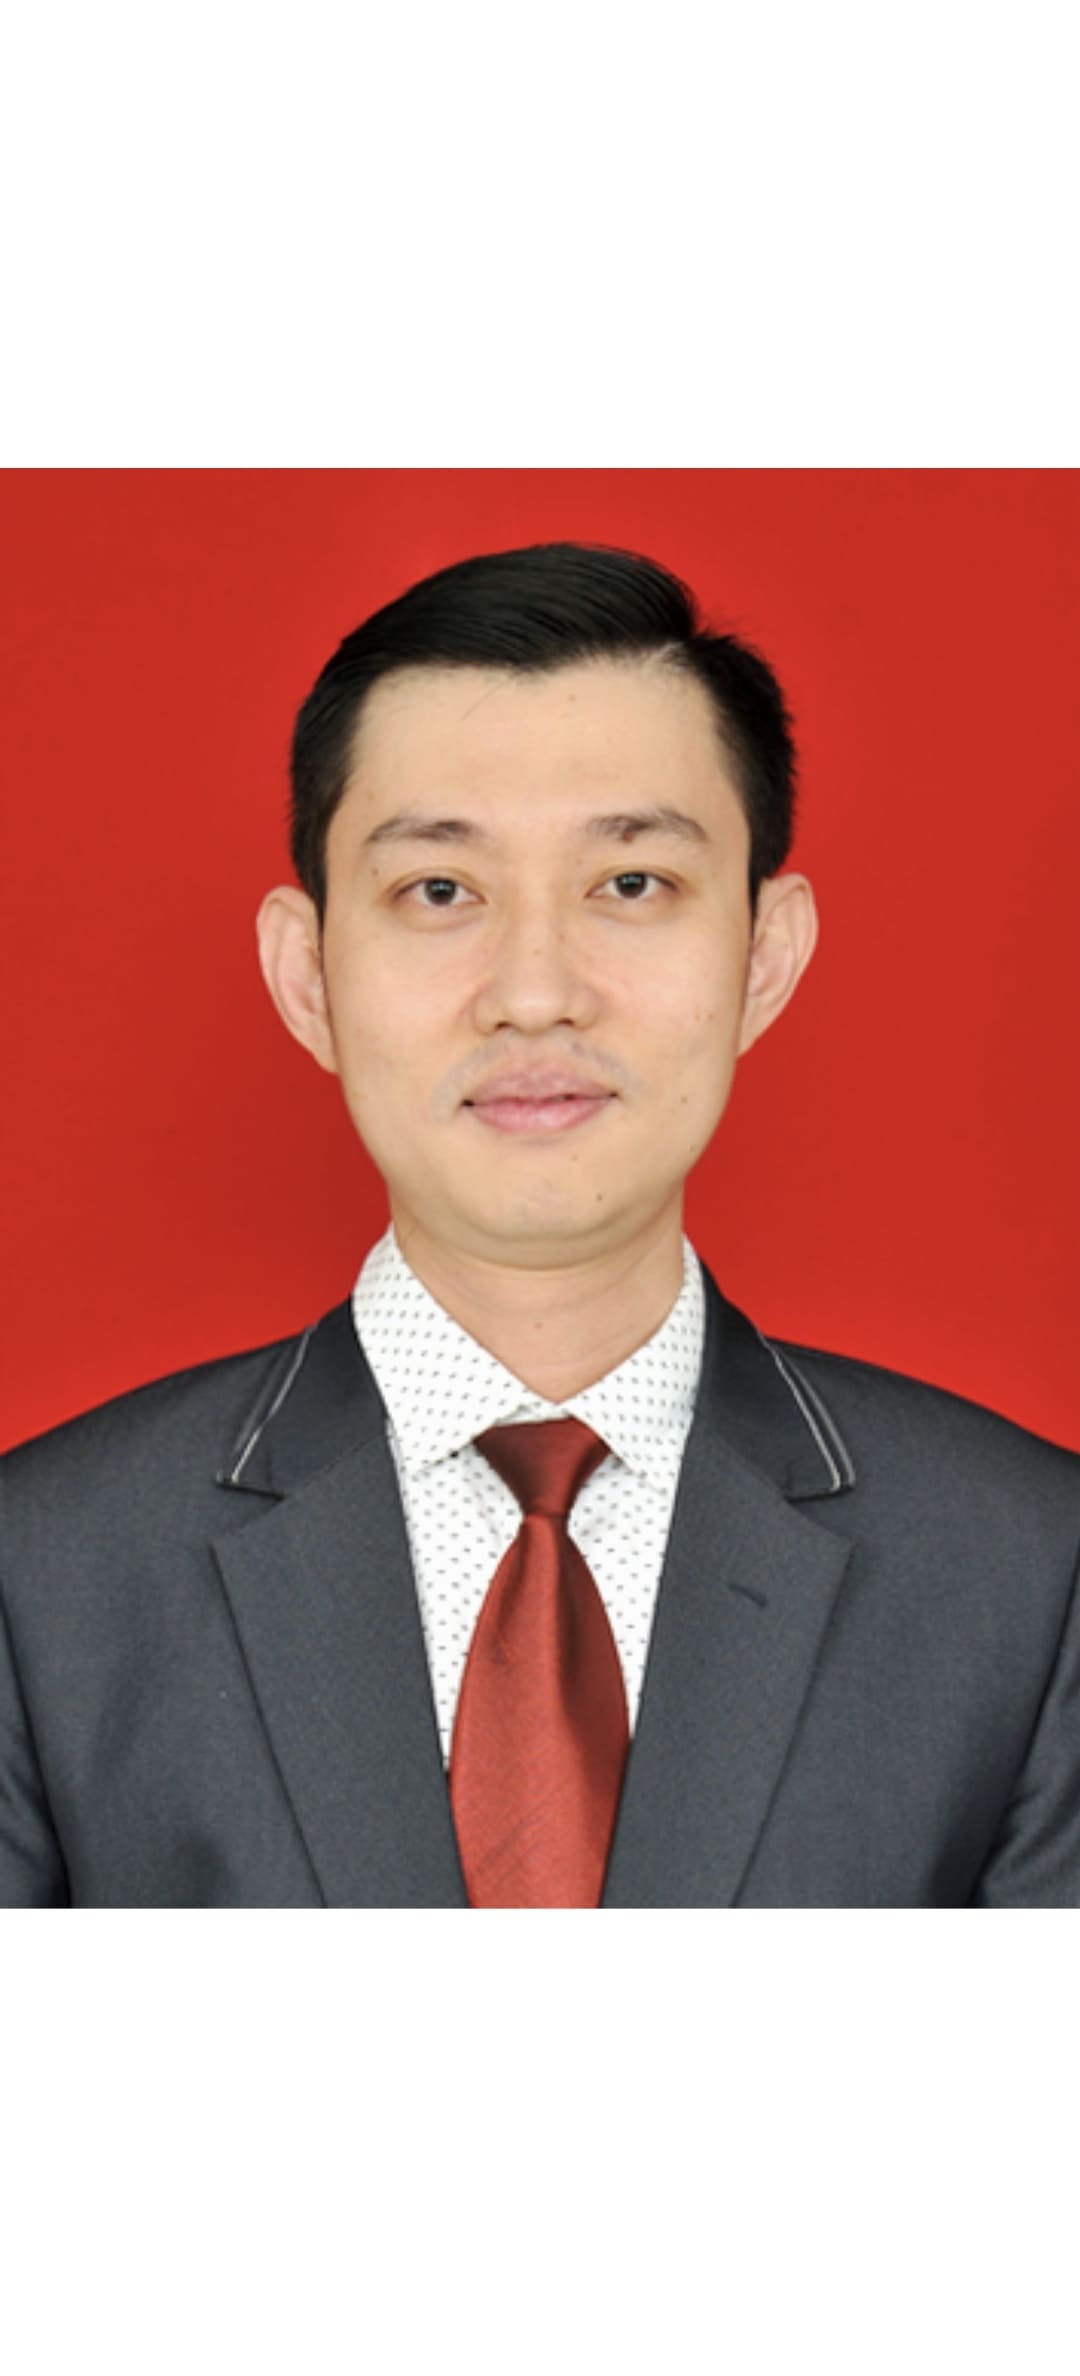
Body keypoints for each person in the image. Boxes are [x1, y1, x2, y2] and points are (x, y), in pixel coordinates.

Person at [2, 540, 1078, 1909]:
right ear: (306, 972)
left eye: (631, 885)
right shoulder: (40, 1576)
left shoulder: (1029, 1570)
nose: (533, 992)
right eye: (439, 891)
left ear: (765, 956)